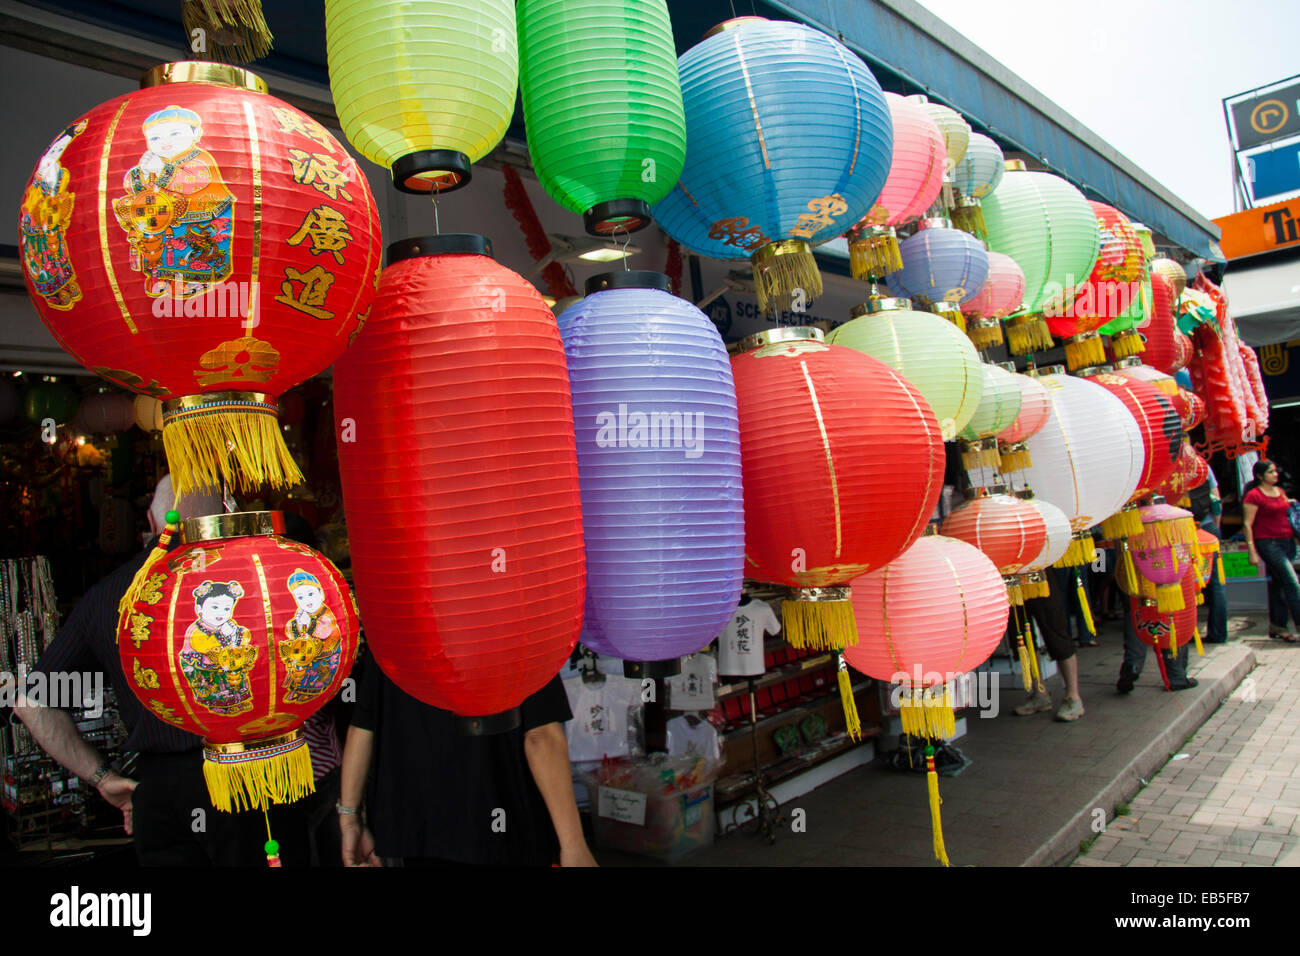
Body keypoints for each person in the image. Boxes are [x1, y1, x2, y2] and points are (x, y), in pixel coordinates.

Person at [15, 476, 311, 865]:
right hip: (250, 779)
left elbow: (30, 701)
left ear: (152, 524)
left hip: (158, 793)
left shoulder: (109, 595)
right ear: (227, 512)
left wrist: (103, 777)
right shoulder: (260, 586)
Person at [339, 653, 597, 867]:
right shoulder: (519, 618)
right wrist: (573, 845)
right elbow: (541, 738)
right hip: (506, 833)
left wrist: (350, 818)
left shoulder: (394, 622)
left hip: (418, 835)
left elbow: (362, 727)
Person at [1013, 570, 1085, 722]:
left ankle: (1073, 696)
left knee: (1055, 632)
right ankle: (1039, 693)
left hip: (1039, 573)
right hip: (1010, 580)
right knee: (1022, 639)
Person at [1242, 459, 1300, 642]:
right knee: (1292, 582)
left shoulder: (1280, 492)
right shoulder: (1254, 495)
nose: (1275, 475)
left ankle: (1278, 626)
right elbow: (1247, 523)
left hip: (1287, 542)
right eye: (1270, 472)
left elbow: (1288, 516)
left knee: (1279, 584)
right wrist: (1251, 550)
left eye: (1275, 471)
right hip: (1268, 543)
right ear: (1260, 476)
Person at [1188, 472, 1228, 644]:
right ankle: (1218, 633)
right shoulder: (1203, 466)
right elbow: (1216, 501)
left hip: (1183, 529)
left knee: (1186, 583)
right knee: (1215, 584)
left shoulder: (1172, 463)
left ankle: (1187, 632)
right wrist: (1214, 527)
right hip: (1207, 527)